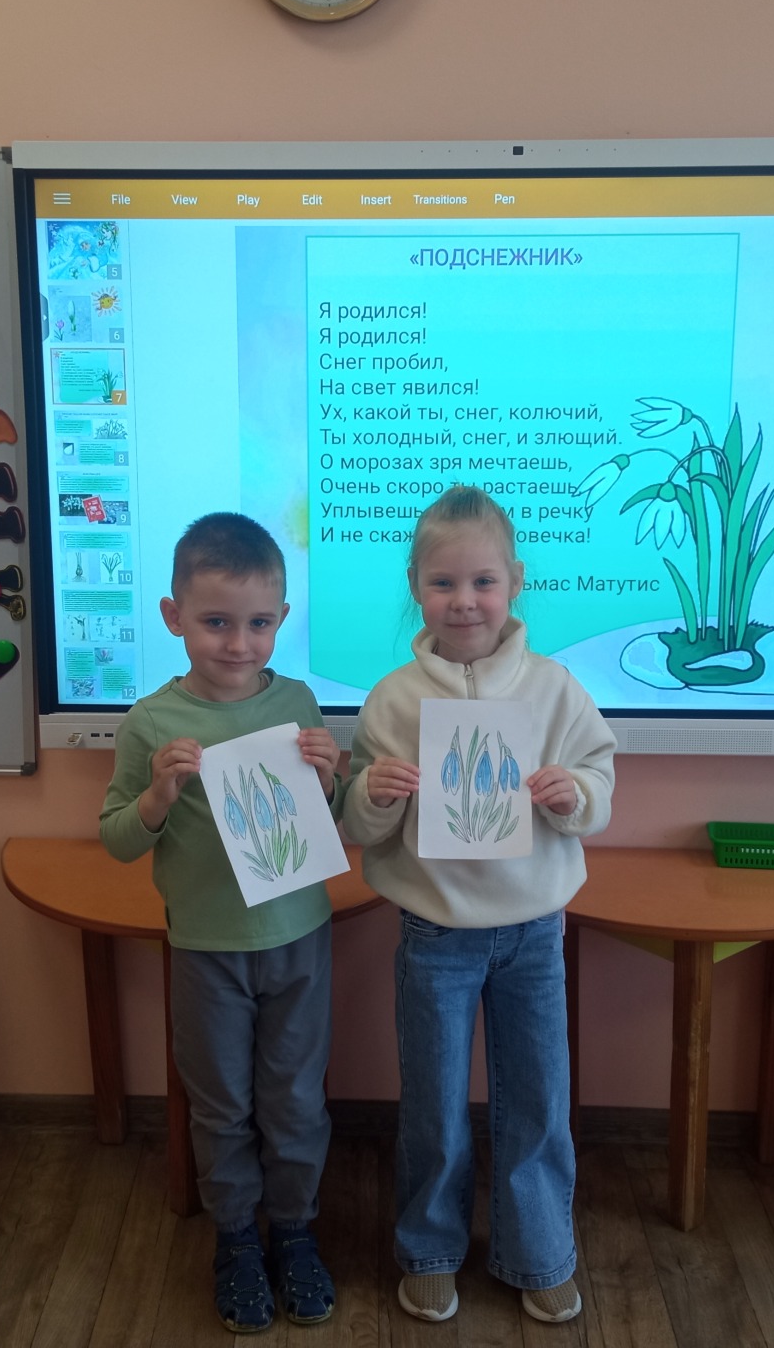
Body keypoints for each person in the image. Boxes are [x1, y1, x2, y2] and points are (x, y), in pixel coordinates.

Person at [341, 485, 616, 1325]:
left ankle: (541, 1253)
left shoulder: (555, 688)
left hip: (534, 934)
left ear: (514, 582)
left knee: (538, 1100)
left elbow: (599, 782)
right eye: (443, 583)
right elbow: (359, 823)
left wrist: (574, 796)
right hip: (435, 935)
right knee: (433, 1104)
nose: (464, 601)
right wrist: (374, 796)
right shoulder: (393, 699)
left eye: (483, 582)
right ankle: (430, 1251)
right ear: (416, 588)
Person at [100, 512, 344, 1334]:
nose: (239, 644)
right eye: (215, 623)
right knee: (221, 1105)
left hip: (301, 940)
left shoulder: (298, 700)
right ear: (173, 617)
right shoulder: (151, 722)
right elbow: (117, 839)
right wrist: (158, 794)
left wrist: (331, 778)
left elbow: (329, 815)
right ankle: (237, 1238)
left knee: (297, 1100)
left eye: (259, 623)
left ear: (282, 619)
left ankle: (296, 1231)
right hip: (206, 950)